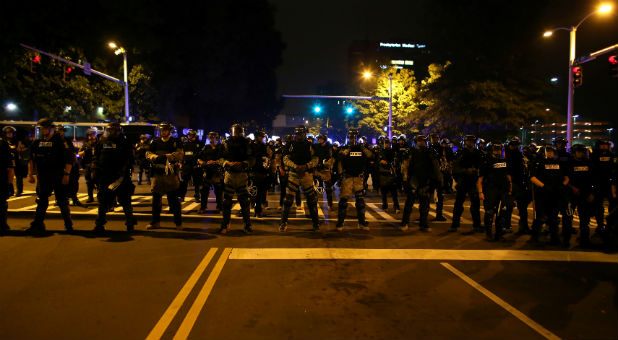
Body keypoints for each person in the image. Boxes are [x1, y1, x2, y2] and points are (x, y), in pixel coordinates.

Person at [27, 118, 74, 232]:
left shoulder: (59, 141)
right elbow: (31, 159)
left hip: (57, 175)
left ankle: (68, 225)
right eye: (41, 129)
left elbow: (69, 159)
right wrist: (30, 174)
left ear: (50, 129)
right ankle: (38, 224)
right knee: (42, 201)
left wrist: (67, 174)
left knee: (62, 201)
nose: (42, 131)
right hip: (43, 176)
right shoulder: (37, 142)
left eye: (44, 128)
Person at [92, 122, 137, 232]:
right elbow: (96, 158)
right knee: (102, 202)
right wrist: (94, 173)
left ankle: (130, 224)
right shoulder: (102, 142)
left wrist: (124, 173)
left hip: (120, 177)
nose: (110, 132)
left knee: (125, 201)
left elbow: (130, 159)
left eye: (112, 130)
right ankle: (99, 225)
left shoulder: (125, 143)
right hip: (105, 176)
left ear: (118, 131)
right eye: (109, 130)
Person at [279, 125, 320, 232]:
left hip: (306, 174)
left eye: (301, 133)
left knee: (312, 200)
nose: (300, 135)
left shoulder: (310, 146)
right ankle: (283, 222)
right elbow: (285, 159)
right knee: (288, 200)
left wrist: (306, 166)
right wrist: (295, 166)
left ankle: (316, 223)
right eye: (298, 134)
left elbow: (316, 159)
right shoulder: (290, 145)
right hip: (294, 174)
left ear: (305, 134)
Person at [400, 135, 442, 231]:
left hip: (425, 180)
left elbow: (436, 166)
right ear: (416, 141)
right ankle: (404, 222)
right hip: (413, 180)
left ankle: (423, 224)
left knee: (424, 204)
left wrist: (438, 179)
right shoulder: (410, 152)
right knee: (409, 203)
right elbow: (405, 166)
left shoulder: (430, 152)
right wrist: (405, 180)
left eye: (423, 140)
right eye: (419, 140)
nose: (421, 142)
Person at [146, 122, 183, 230]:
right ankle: (155, 222)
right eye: (162, 130)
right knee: (156, 201)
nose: (163, 132)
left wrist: (168, 156)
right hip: (157, 175)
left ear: (169, 131)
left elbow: (180, 154)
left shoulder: (175, 142)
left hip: (170, 175)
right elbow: (148, 153)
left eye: (165, 130)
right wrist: (155, 157)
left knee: (173, 201)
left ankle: (178, 223)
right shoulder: (155, 142)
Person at [529, 145, 569, 245]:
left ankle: (554, 238)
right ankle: (535, 238)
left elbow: (566, 177)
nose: (550, 153)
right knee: (540, 217)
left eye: (551, 151)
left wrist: (561, 186)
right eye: (548, 151)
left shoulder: (559, 163)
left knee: (553, 218)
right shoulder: (538, 163)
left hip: (555, 193)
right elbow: (532, 177)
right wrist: (543, 186)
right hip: (542, 194)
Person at [219, 124, 254, 234]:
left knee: (244, 202)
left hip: (242, 175)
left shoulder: (247, 144)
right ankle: (225, 224)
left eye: (239, 132)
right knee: (226, 202)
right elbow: (221, 158)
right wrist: (227, 163)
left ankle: (247, 225)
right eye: (235, 131)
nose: (237, 134)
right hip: (229, 175)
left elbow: (252, 158)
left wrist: (244, 163)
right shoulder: (226, 143)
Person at [335, 129, 373, 231]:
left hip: (358, 178)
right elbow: (339, 158)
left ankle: (362, 223)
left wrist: (362, 148)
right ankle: (340, 223)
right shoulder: (345, 148)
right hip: (347, 177)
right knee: (343, 202)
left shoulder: (362, 149)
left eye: (355, 137)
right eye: (352, 137)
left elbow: (370, 156)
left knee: (360, 202)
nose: (353, 139)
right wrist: (349, 149)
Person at [478, 143, 511, 241]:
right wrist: (480, 192)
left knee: (501, 213)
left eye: (499, 149)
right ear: (492, 150)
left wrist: (510, 189)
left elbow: (508, 176)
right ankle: (488, 234)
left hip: (503, 190)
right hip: (490, 190)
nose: (498, 151)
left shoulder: (504, 161)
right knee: (489, 212)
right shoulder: (487, 161)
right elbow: (480, 179)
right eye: (496, 150)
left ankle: (499, 234)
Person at [449, 135, 482, 233]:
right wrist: (465, 171)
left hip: (474, 181)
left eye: (472, 141)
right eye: (468, 141)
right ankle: (455, 224)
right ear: (465, 142)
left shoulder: (478, 153)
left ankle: (476, 225)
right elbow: (455, 168)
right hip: (463, 180)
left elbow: (482, 166)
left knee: (475, 204)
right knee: (458, 204)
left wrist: (477, 172)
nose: (470, 142)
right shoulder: (460, 153)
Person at [567, 144, 595, 247]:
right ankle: (566, 239)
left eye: (581, 152)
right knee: (568, 217)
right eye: (578, 151)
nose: (580, 153)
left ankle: (584, 239)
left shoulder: (589, 163)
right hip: (572, 194)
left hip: (585, 194)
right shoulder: (570, 163)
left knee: (585, 219)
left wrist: (592, 193)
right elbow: (565, 178)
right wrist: (572, 188)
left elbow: (593, 179)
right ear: (574, 153)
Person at [589, 139, 617, 242]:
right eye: (602, 145)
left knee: (613, 206)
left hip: (610, 185)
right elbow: (592, 170)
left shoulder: (613, 156)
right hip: (598, 184)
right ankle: (600, 226)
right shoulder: (594, 156)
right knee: (598, 206)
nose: (604, 147)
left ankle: (611, 226)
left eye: (606, 145)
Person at [504, 136, 532, 234]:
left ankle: (523, 226)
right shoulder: (508, 156)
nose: (514, 147)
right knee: (509, 206)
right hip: (513, 183)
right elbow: (507, 171)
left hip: (520, 183)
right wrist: (510, 184)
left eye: (516, 145)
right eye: (512, 145)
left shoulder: (521, 156)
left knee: (522, 206)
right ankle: (507, 225)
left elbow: (525, 169)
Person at [56, 126, 83, 207]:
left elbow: (72, 151)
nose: (60, 132)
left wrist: (75, 161)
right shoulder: (54, 140)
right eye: (58, 131)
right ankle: (59, 200)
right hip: (58, 164)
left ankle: (74, 199)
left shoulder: (66, 140)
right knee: (59, 184)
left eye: (61, 131)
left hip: (68, 163)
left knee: (72, 182)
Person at [198, 132, 224, 214]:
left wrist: (216, 162)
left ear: (217, 138)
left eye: (213, 137)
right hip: (208, 171)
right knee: (204, 190)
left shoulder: (221, 147)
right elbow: (199, 157)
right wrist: (201, 162)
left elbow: (224, 158)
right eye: (210, 137)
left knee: (219, 191)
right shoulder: (206, 147)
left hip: (217, 171)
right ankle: (203, 207)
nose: (212, 139)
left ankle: (220, 207)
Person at [250, 130, 272, 218]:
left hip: (261, 172)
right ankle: (250, 207)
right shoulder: (250, 146)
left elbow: (269, 157)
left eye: (263, 137)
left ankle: (258, 211)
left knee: (260, 193)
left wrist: (268, 170)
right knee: (252, 193)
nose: (262, 138)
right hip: (252, 172)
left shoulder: (265, 146)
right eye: (261, 136)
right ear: (256, 136)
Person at [178, 130, 204, 202]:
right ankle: (182, 196)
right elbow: (182, 154)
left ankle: (197, 196)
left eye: (191, 136)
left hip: (195, 164)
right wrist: (181, 162)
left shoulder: (200, 144)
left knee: (197, 182)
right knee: (184, 181)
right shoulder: (185, 144)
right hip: (186, 165)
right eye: (189, 135)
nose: (190, 137)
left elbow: (202, 154)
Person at [376, 137, 399, 212]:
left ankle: (396, 206)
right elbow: (378, 160)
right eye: (385, 143)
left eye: (388, 143)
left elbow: (395, 161)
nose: (387, 144)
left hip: (390, 172)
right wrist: (380, 161)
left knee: (393, 192)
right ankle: (385, 205)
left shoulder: (393, 151)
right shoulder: (381, 151)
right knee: (384, 192)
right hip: (383, 173)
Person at [429, 133, 448, 221]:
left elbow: (444, 160)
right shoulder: (428, 149)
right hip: (430, 174)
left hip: (439, 174)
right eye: (433, 138)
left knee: (440, 196)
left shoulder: (442, 149)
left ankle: (439, 214)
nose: (434, 140)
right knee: (427, 195)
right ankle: (424, 214)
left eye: (436, 138)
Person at [314, 133, 335, 208]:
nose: (319, 140)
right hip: (317, 170)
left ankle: (330, 204)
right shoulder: (316, 146)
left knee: (328, 188)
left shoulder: (329, 147)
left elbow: (332, 159)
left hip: (326, 171)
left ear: (324, 140)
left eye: (320, 139)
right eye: (318, 139)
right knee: (316, 188)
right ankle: (315, 203)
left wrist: (325, 164)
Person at [0, 131, 15, 232]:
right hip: (2, 178)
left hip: (2, 178)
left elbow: (10, 166)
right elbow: (10, 166)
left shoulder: (3, 145)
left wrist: (9, 181)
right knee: (2, 204)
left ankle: (3, 225)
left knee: (1, 203)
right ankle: (3, 225)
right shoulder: (4, 144)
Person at [79, 128, 98, 203]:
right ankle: (90, 197)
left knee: (99, 182)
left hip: (97, 165)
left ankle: (100, 197)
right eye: (90, 135)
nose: (91, 136)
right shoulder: (85, 144)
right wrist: (84, 151)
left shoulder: (99, 143)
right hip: (88, 165)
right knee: (88, 182)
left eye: (92, 134)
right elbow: (79, 153)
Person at [3, 126, 17, 196]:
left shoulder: (15, 141)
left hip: (13, 159)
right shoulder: (3, 141)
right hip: (5, 159)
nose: (9, 134)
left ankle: (10, 189)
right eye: (8, 133)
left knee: (11, 174)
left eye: (10, 133)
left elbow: (17, 149)